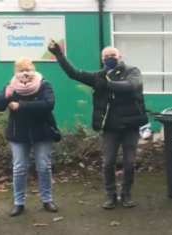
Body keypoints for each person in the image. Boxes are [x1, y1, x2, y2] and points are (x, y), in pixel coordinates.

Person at [48, 41, 148, 209]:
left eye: (113, 56)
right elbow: (73, 73)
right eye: (106, 56)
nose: (109, 58)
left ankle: (126, 193)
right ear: (102, 59)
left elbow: (130, 86)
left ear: (119, 57)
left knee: (129, 162)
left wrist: (107, 84)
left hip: (130, 125)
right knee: (108, 163)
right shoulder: (98, 76)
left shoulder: (132, 71)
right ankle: (110, 195)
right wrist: (59, 55)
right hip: (110, 128)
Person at [0, 57, 61, 217]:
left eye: (27, 70)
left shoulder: (44, 85)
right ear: (15, 72)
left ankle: (47, 200)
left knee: (43, 166)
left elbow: (49, 104)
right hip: (18, 134)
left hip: (42, 132)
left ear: (33, 70)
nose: (25, 74)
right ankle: (18, 203)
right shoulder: (10, 87)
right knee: (19, 168)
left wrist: (21, 106)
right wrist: (5, 97)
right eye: (21, 71)